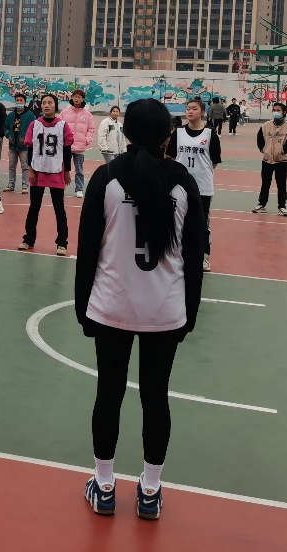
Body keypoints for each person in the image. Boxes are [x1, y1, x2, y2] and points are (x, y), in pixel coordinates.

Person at [75, 97, 205, 519]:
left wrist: (83, 309)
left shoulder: (106, 179)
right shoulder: (183, 184)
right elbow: (195, 256)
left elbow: (87, 251)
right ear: (169, 135)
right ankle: (150, 490)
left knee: (108, 393)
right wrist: (189, 314)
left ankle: (104, 485)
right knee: (156, 397)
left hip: (112, 307)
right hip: (164, 311)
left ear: (126, 133)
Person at [166, 98, 220, 271]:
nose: (190, 111)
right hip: (180, 185)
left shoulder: (210, 134)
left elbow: (214, 161)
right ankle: (177, 253)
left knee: (202, 223)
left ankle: (204, 255)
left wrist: (200, 172)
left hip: (202, 186)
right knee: (178, 220)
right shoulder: (178, 133)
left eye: (194, 108)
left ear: (202, 112)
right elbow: (171, 156)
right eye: (188, 108)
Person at [18, 93, 74, 256]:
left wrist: (67, 171)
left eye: (50, 102)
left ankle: (62, 242)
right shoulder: (34, 124)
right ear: (40, 106)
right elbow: (30, 149)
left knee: (59, 208)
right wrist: (31, 170)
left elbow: (66, 150)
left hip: (56, 170)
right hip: (38, 170)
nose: (46, 105)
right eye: (44, 103)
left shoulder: (63, 125)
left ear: (55, 106)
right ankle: (28, 239)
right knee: (34, 207)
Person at [252, 102, 287, 217]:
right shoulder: (265, 125)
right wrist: (263, 149)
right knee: (265, 183)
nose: (275, 112)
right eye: (274, 110)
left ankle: (282, 206)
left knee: (281, 184)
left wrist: (283, 150)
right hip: (267, 160)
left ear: (284, 112)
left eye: (278, 110)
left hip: (281, 161)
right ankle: (261, 204)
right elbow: (259, 139)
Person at [62, 89, 96, 198]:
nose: (76, 99)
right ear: (72, 98)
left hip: (80, 147)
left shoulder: (88, 114)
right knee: (63, 168)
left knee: (79, 170)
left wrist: (87, 140)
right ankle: (61, 187)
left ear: (83, 99)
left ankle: (79, 189)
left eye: (79, 97)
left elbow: (91, 129)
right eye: (75, 96)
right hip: (66, 146)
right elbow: (59, 126)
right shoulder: (65, 112)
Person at [3, 93, 36, 193]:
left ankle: (25, 186)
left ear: (25, 102)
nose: (19, 102)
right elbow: (5, 128)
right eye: (17, 100)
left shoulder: (31, 116)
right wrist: (8, 136)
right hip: (12, 145)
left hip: (24, 147)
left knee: (25, 167)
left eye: (21, 100)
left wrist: (27, 138)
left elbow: (35, 129)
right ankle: (11, 184)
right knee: (11, 166)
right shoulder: (10, 115)